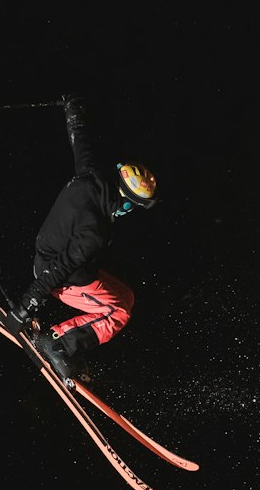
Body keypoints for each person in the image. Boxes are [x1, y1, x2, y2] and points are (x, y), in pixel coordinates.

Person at [10, 96, 157, 380]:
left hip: (51, 260)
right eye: (132, 207)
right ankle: (59, 343)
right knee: (118, 310)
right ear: (126, 202)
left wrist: (73, 110)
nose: (128, 212)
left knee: (126, 295)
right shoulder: (95, 231)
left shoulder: (90, 175)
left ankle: (64, 339)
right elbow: (64, 265)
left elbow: (81, 140)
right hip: (58, 277)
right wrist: (26, 306)